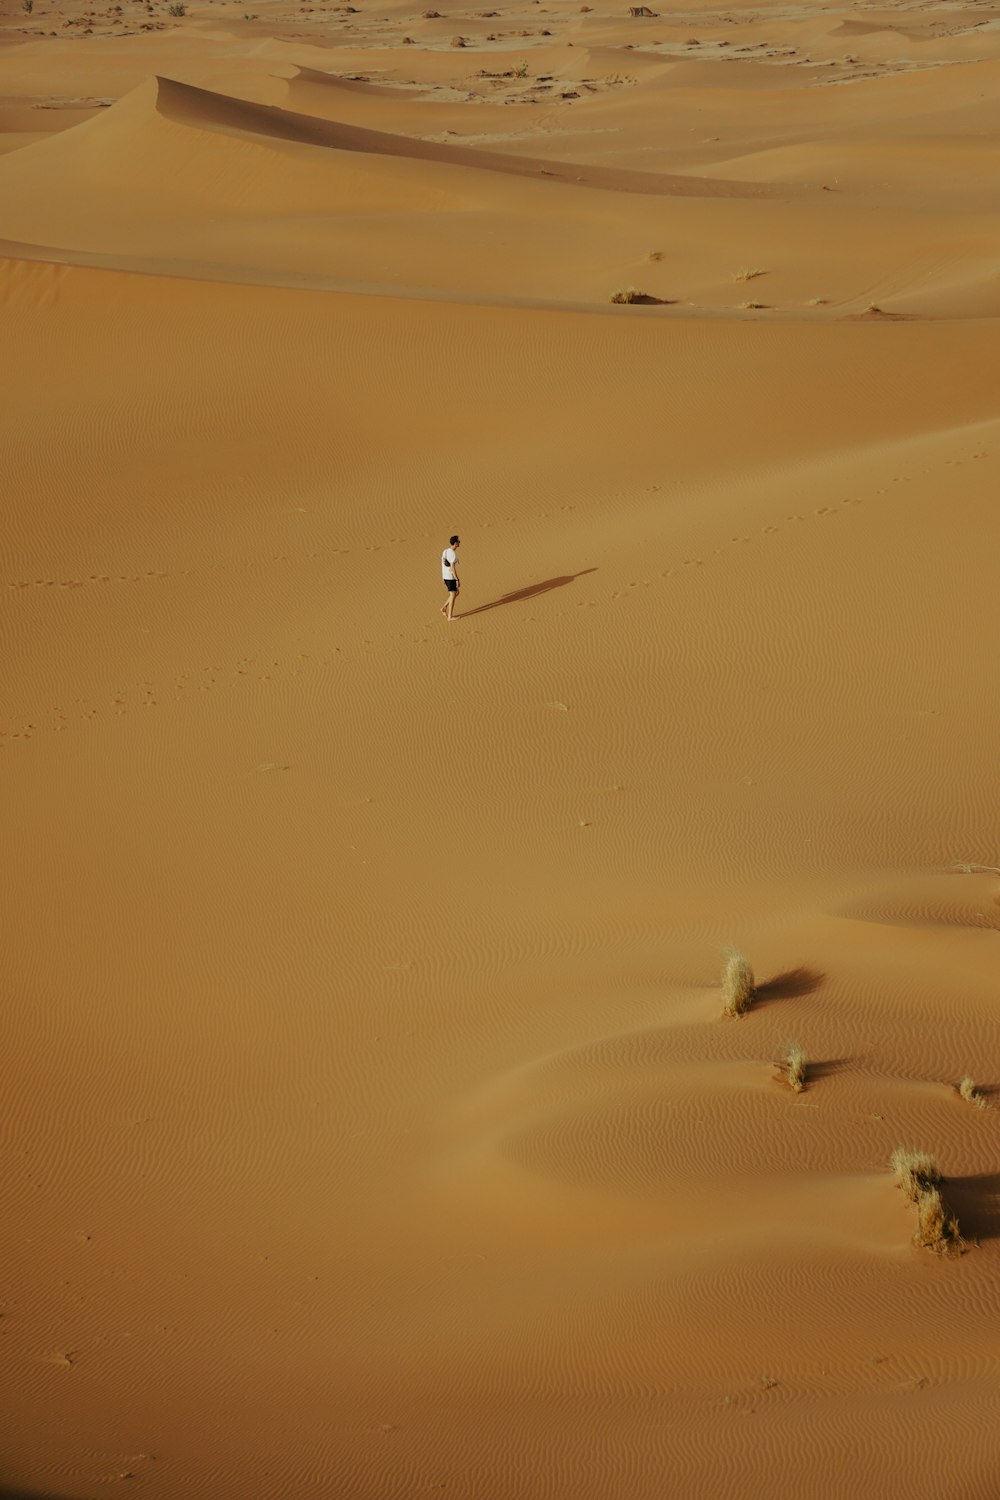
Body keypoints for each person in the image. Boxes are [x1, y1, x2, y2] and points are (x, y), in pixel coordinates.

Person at [440, 535, 461, 620]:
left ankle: (443, 608)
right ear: (455, 543)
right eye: (459, 541)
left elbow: (442, 564)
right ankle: (450, 617)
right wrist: (457, 579)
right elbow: (452, 568)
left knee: (456, 592)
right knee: (453, 595)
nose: (460, 543)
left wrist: (442, 577)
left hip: (445, 577)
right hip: (450, 577)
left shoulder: (445, 551)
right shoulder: (453, 554)